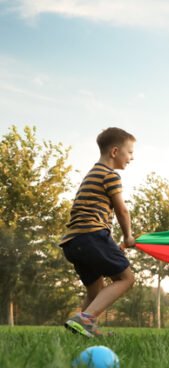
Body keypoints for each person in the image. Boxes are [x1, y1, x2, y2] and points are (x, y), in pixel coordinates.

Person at [61, 127, 137, 338]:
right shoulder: (110, 175)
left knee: (95, 291)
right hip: (91, 236)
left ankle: (80, 330)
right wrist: (128, 236)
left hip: (73, 241)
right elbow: (122, 209)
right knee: (126, 278)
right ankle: (85, 319)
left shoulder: (92, 174)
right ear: (115, 152)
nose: (132, 157)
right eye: (130, 152)